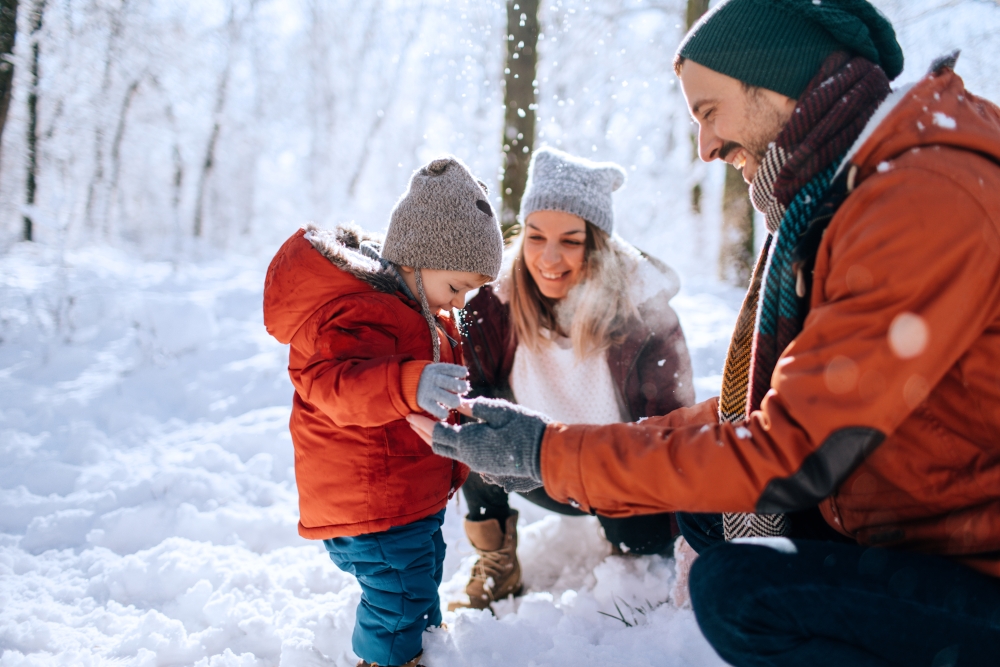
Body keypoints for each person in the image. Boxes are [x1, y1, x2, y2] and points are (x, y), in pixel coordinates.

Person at [408, 1, 1000, 664]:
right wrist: (546, 448)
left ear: (779, 83)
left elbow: (790, 451)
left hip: (971, 558)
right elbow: (763, 416)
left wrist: (551, 452)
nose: (706, 147)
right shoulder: (849, 194)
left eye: (710, 111)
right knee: (708, 505)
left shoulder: (919, 200)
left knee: (738, 591)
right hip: (897, 508)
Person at [263, 156, 502, 667]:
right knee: (398, 597)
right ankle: (387, 659)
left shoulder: (423, 310)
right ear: (416, 259)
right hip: (371, 501)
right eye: (457, 287)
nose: (461, 303)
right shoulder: (363, 311)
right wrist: (408, 382)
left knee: (420, 579)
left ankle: (422, 648)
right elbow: (332, 384)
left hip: (407, 495)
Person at [454, 147, 695, 610]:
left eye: (570, 240)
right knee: (473, 424)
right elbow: (468, 391)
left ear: (597, 245)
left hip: (617, 475)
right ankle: (496, 558)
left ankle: (632, 561)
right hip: (532, 466)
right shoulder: (492, 303)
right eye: (536, 236)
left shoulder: (645, 314)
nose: (549, 257)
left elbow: (673, 430)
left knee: (643, 542)